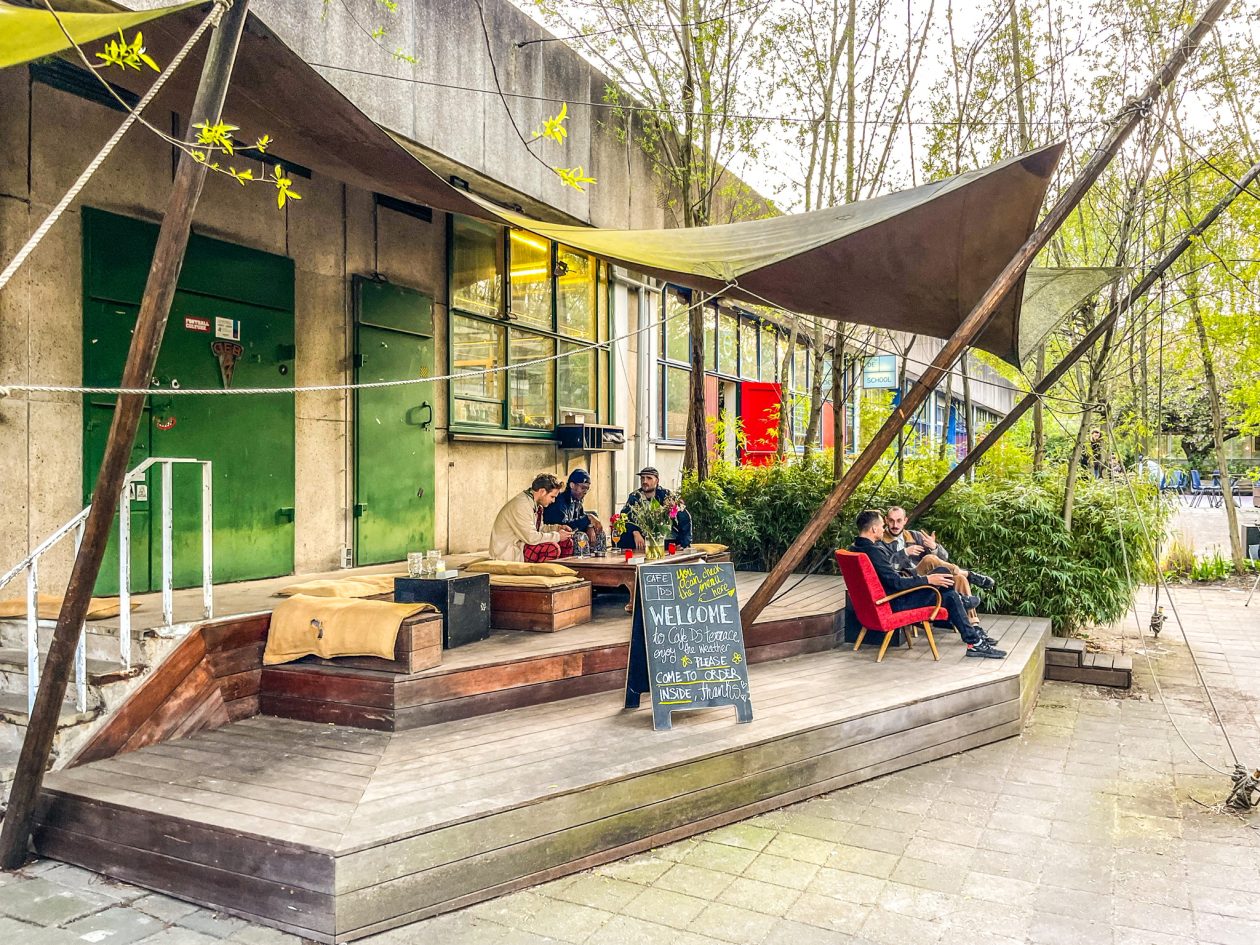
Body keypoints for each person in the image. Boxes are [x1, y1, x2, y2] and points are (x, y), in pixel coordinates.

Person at [849, 509, 1005, 659]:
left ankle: (970, 630)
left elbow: (890, 580)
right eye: (883, 525)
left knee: (943, 572)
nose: (884, 529)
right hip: (894, 601)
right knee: (950, 597)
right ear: (874, 529)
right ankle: (974, 639)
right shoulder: (875, 551)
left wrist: (934, 548)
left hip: (885, 599)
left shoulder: (855, 548)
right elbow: (896, 582)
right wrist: (928, 580)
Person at [882, 505, 996, 627]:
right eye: (891, 520)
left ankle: (974, 626)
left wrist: (934, 547)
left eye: (899, 520)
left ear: (905, 520)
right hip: (905, 581)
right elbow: (886, 567)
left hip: (927, 579)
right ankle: (968, 574)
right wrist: (904, 553)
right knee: (929, 559)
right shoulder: (880, 540)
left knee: (959, 579)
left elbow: (944, 558)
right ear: (886, 520)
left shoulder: (915, 536)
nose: (895, 525)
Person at [489, 473, 574, 562]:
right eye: (552, 496)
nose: (553, 501)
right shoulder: (521, 505)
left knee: (567, 542)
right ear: (542, 492)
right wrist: (557, 536)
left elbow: (539, 529)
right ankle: (541, 574)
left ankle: (561, 573)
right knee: (552, 548)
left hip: (523, 545)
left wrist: (557, 528)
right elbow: (531, 538)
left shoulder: (536, 504)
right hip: (509, 553)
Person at [616, 466, 693, 551]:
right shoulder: (635, 497)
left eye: (649, 478)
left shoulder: (666, 495)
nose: (645, 481)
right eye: (642, 478)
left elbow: (684, 517)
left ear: (657, 481)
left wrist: (684, 543)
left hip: (665, 541)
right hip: (641, 542)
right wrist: (635, 532)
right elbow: (625, 517)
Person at [544, 469, 604, 546]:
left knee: (600, 533)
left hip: (570, 538)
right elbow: (564, 527)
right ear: (572, 485)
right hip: (557, 540)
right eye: (583, 488)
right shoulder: (558, 501)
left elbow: (581, 519)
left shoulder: (577, 501)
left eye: (587, 489)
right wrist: (588, 518)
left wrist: (590, 526)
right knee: (580, 537)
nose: (585, 492)